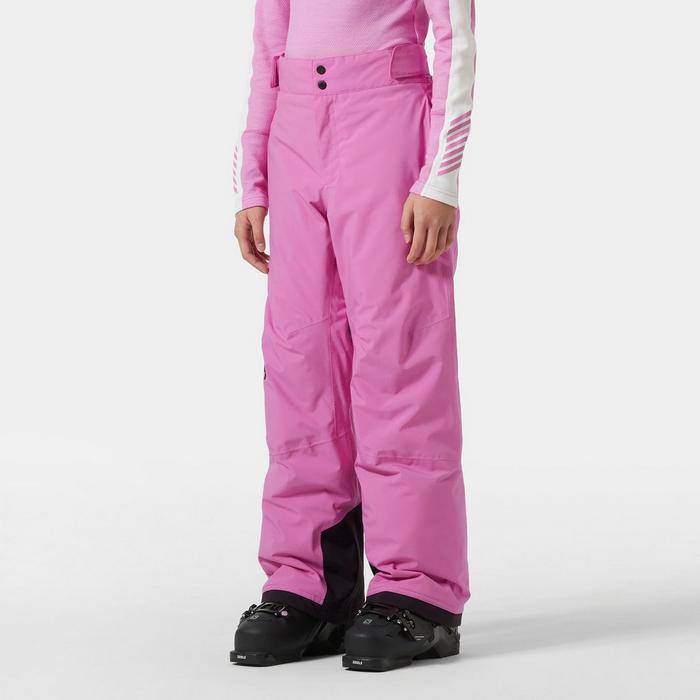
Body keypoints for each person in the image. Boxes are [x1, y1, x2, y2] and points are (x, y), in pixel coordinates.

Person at [230, 0, 476, 672]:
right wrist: (252, 177)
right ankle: (309, 584)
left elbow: (456, 38)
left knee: (399, 355)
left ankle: (419, 590)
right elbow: (269, 42)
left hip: (388, 119)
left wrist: (441, 176)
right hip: (293, 128)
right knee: (300, 359)